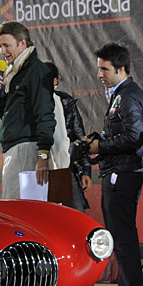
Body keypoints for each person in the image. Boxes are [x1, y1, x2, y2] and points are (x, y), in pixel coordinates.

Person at [81, 44, 143, 286]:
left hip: (122, 174)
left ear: (121, 69)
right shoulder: (122, 95)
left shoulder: (128, 96)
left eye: (104, 69)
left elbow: (134, 137)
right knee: (121, 236)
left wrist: (99, 146)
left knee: (123, 238)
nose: (99, 74)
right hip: (119, 171)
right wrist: (100, 145)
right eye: (99, 68)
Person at [0, 21, 56, 199]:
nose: (2, 51)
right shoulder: (15, 72)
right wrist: (1, 94)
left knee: (14, 207)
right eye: (0, 46)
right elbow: (9, 116)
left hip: (26, 148)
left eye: (7, 45)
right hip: (16, 148)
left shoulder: (36, 71)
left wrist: (43, 155)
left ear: (22, 43)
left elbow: (45, 113)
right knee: (14, 205)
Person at [44, 62, 92, 211]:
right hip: (40, 168)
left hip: (64, 167)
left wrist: (85, 170)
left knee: (74, 214)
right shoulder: (29, 102)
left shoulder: (64, 101)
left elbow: (79, 136)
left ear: (55, 80)